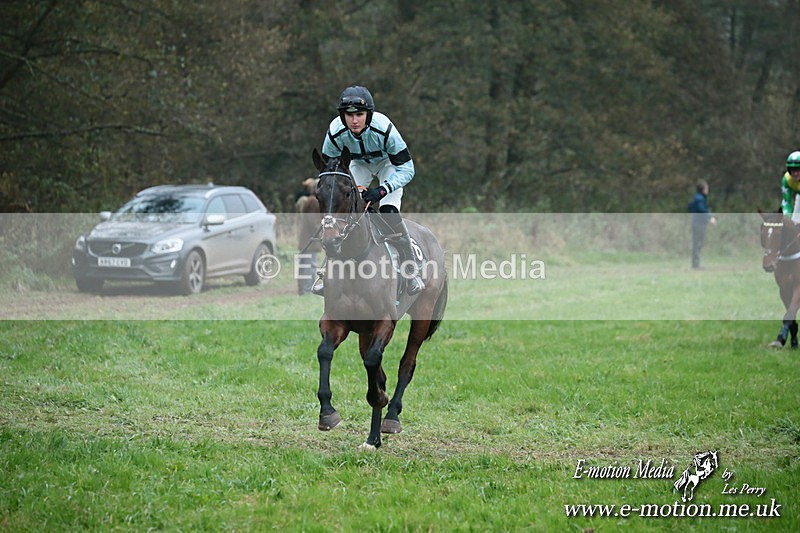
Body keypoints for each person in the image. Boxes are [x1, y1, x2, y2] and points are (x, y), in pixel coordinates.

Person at [312, 85, 425, 296]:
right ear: (342, 115)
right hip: (359, 165)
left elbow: (408, 169)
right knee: (345, 213)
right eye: (349, 115)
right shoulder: (335, 131)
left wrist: (382, 190)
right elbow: (331, 169)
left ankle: (411, 272)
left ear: (369, 115)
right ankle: (327, 273)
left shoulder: (384, 129)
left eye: (360, 115)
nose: (354, 120)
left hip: (389, 165)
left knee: (388, 211)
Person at [687, 179, 716, 269]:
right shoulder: (699, 199)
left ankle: (695, 264)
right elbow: (702, 210)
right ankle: (696, 264)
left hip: (697, 222)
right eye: (706, 188)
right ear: (703, 189)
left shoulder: (698, 198)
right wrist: (710, 217)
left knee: (698, 243)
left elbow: (690, 208)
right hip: (698, 224)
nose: (708, 190)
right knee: (698, 243)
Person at [780, 150, 800, 220]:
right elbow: (786, 202)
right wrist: (786, 219)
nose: (795, 173)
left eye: (798, 169)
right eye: (792, 170)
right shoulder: (786, 179)